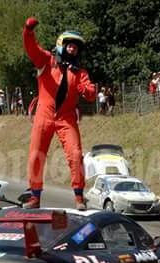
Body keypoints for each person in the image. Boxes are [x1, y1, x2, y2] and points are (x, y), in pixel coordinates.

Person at [23, 17, 96, 209]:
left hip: (66, 118)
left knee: (75, 153)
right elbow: (32, 48)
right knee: (36, 154)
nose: (73, 49)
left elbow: (91, 94)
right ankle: (35, 196)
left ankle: (79, 197)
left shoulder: (80, 72)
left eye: (76, 47)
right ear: (61, 45)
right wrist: (28, 31)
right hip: (44, 115)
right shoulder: (46, 60)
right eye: (70, 45)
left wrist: (85, 89)